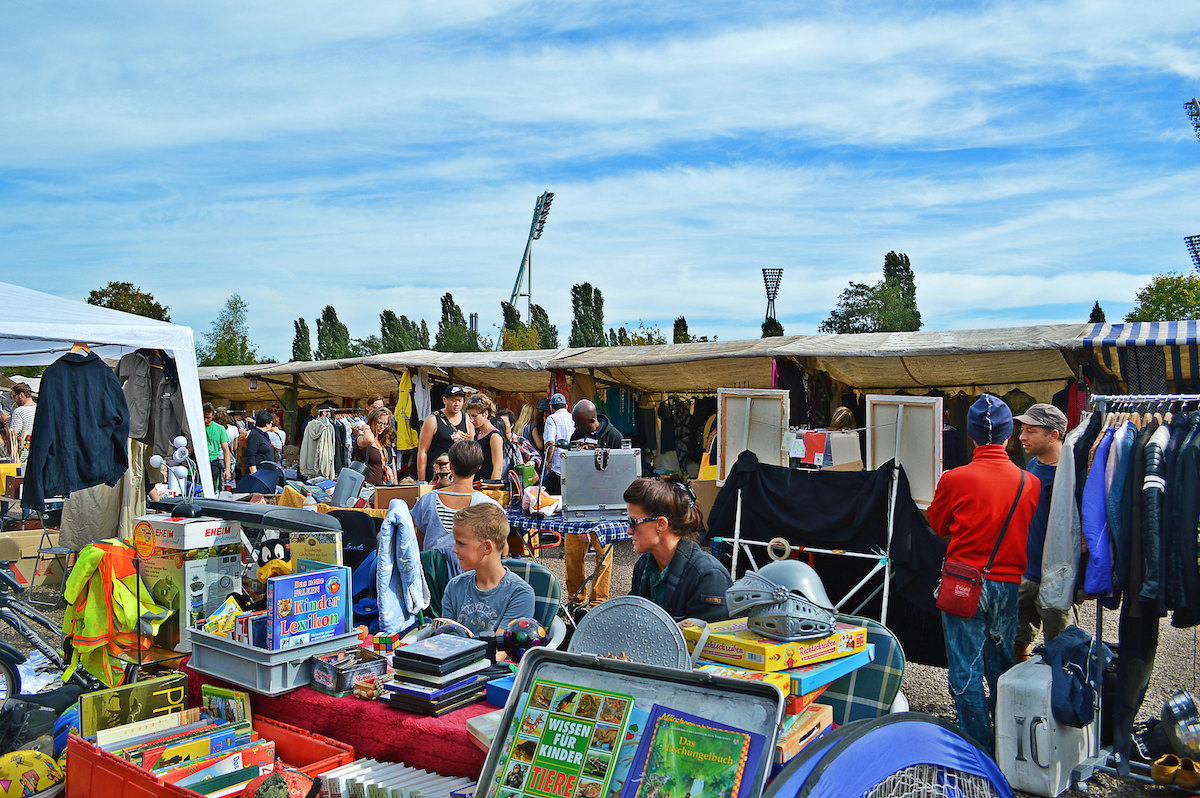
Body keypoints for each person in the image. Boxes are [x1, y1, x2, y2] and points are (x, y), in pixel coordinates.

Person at [927, 394, 1041, 753]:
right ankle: (1009, 748)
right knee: (1002, 666)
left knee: (965, 670)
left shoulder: (954, 479)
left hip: (963, 583)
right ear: (1009, 436)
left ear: (973, 437)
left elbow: (937, 524)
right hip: (1008, 586)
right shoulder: (1030, 483)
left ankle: (979, 751)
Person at [625, 476, 732, 622]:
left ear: (661, 524)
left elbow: (710, 642)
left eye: (633, 521)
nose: (628, 531)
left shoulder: (708, 577)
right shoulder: (643, 565)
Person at [1012, 402, 1072, 662]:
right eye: (1022, 430)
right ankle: (1022, 696)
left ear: (1054, 435)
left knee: (1061, 652)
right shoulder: (1033, 465)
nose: (1022, 437)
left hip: (1054, 579)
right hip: (1025, 573)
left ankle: (1058, 701)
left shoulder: (1069, 475)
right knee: (1015, 640)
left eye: (1030, 431)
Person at [560, 399, 624, 606]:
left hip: (605, 503)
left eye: (578, 423)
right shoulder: (577, 433)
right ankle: (575, 600)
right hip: (579, 501)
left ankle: (598, 602)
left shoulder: (613, 436)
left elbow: (620, 471)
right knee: (572, 555)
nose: (575, 428)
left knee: (603, 556)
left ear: (592, 420)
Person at [442, 503, 535, 635]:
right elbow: (446, 638)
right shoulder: (454, 587)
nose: (454, 549)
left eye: (461, 543)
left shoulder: (520, 594)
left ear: (487, 548)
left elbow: (500, 650)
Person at [412, 440, 502, 551]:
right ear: (479, 467)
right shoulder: (489, 505)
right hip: (471, 568)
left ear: (450, 465)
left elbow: (420, 543)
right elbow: (501, 548)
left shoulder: (427, 500)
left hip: (432, 566)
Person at [417, 385, 470, 483]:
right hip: (438, 475)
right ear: (445, 400)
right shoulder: (433, 419)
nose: (457, 404)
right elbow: (422, 451)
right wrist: (421, 480)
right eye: (453, 400)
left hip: (459, 475)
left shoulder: (466, 418)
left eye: (460, 400)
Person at [465, 394, 507, 482]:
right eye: (469, 416)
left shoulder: (494, 436)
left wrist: (492, 488)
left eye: (474, 416)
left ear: (485, 414)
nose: (471, 420)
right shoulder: (478, 436)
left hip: (487, 485)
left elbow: (498, 467)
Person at [353, 407, 396, 486]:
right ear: (372, 421)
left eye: (385, 424)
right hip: (365, 489)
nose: (382, 427)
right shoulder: (362, 438)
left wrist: (386, 467)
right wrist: (365, 426)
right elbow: (369, 440)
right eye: (379, 423)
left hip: (379, 487)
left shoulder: (382, 442)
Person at [542, 393, 574, 493]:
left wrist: (548, 461)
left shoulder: (551, 419)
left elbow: (550, 443)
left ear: (551, 408)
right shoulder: (573, 417)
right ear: (566, 406)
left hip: (557, 469)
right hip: (572, 467)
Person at [203, 402, 232, 489]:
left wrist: (227, 469)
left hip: (213, 462)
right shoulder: (196, 427)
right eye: (204, 417)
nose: (205, 420)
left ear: (213, 416)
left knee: (213, 489)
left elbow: (226, 450)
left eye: (208, 418)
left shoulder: (220, 429)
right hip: (198, 462)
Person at [9, 383, 36, 468]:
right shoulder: (39, 408)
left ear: (21, 395)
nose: (13, 399)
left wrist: (6, 423)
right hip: (37, 453)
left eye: (14, 396)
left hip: (23, 457)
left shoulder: (19, 412)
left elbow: (13, 437)